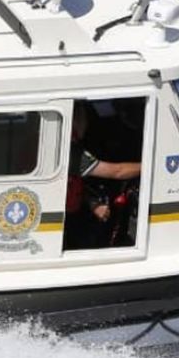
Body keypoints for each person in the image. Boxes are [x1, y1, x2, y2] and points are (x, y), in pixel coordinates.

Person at [66, 103, 141, 249]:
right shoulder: (71, 153)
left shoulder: (70, 146)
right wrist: (150, 165)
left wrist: (93, 203)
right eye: (84, 118)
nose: (86, 123)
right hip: (66, 221)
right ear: (75, 119)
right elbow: (117, 171)